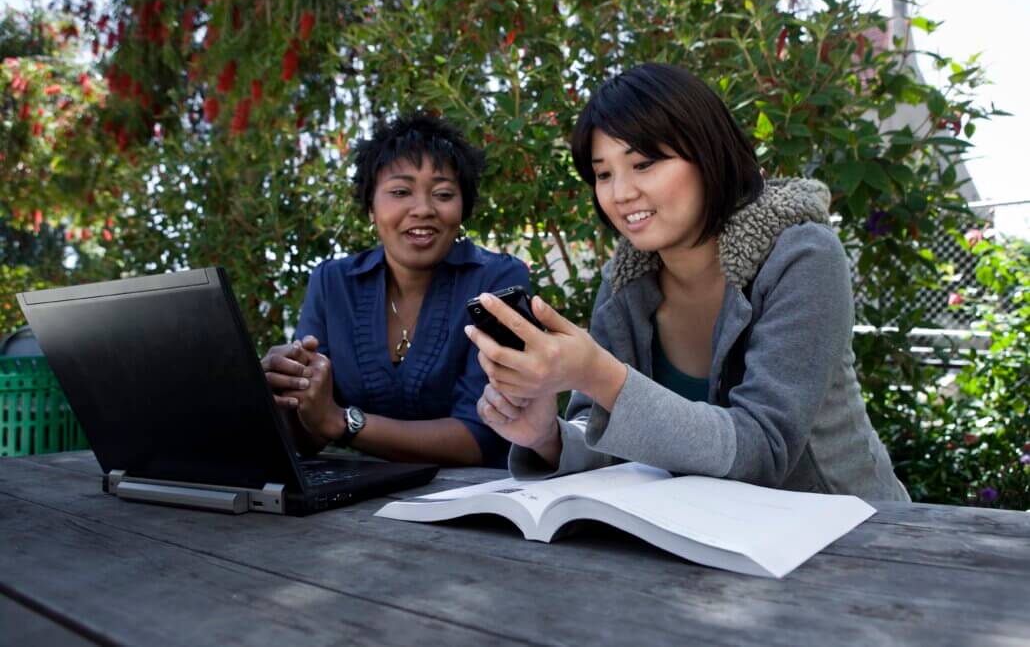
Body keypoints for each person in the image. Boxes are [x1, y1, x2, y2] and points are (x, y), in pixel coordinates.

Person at [466, 63, 910, 500]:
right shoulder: (625, 281)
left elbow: (766, 448)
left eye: (643, 163)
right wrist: (546, 436)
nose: (620, 193)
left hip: (848, 533)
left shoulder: (801, 255)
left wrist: (598, 374)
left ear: (709, 154)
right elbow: (607, 440)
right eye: (603, 173)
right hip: (700, 536)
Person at [262, 113, 530, 468]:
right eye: (400, 192)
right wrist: (281, 394)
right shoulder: (333, 283)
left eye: (443, 193)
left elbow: (482, 436)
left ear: (462, 207)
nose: (423, 209)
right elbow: (309, 438)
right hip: (362, 505)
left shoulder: (497, 281)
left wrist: (341, 422)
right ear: (370, 207)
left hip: (474, 504)